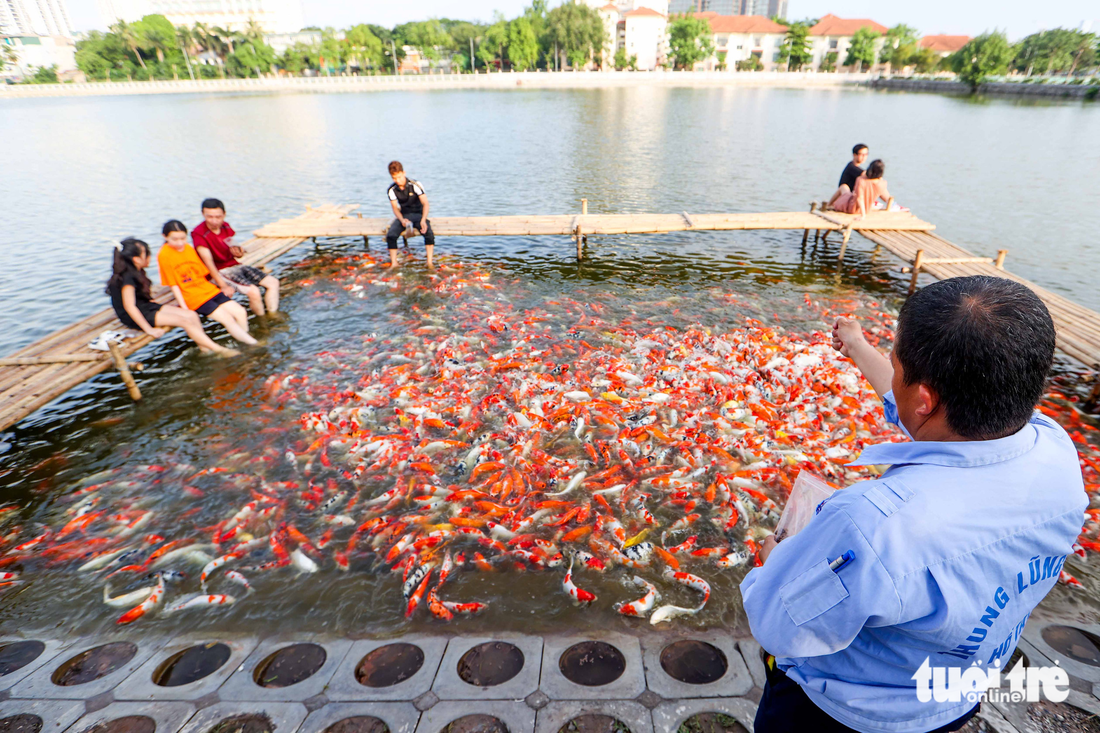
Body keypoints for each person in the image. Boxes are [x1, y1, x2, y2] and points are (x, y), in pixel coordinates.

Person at [743, 276, 1086, 733]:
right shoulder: (1055, 450)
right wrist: (858, 346)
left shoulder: (874, 523)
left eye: (895, 362)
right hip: (951, 697)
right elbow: (931, 413)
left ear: (924, 398)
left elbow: (778, 625)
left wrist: (774, 561)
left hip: (848, 716)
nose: (893, 370)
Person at [106, 238, 238, 356]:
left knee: (191, 315)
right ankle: (219, 350)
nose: (149, 257)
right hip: (134, 315)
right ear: (136, 259)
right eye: (147, 254)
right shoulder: (127, 278)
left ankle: (204, 348)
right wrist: (149, 329)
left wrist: (149, 300)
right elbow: (130, 307)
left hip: (145, 306)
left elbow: (137, 296)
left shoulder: (135, 271)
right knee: (184, 321)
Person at [158, 220, 257, 346]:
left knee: (241, 312)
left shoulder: (188, 248)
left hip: (206, 288)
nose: (180, 243)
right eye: (175, 239)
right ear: (165, 237)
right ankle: (253, 344)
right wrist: (184, 308)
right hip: (192, 296)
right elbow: (174, 285)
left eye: (183, 238)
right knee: (227, 319)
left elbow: (201, 272)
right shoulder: (164, 255)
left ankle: (244, 340)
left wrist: (222, 286)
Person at [192, 198, 280, 317]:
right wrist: (223, 285)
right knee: (254, 292)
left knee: (273, 282)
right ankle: (262, 321)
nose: (214, 221)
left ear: (224, 214)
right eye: (209, 217)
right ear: (203, 214)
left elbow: (235, 247)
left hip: (233, 265)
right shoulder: (199, 233)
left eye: (218, 217)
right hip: (218, 271)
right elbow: (208, 263)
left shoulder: (225, 227)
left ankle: (272, 315)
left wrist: (239, 252)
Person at [386, 161, 434, 268]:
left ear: (404, 173)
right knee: (391, 235)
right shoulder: (391, 190)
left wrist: (423, 220)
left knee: (428, 233)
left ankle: (429, 262)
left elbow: (425, 204)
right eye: (394, 178)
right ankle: (394, 263)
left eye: (399, 177)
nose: (397, 180)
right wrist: (402, 220)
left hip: (418, 214)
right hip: (404, 215)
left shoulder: (415, 185)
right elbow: (395, 208)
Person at [827, 144, 869, 209]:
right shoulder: (851, 167)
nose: (864, 157)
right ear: (854, 155)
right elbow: (866, 174)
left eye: (866, 154)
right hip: (846, 198)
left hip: (853, 197)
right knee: (844, 186)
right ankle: (829, 205)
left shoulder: (856, 167)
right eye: (862, 154)